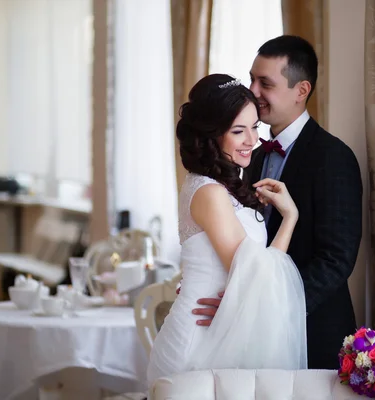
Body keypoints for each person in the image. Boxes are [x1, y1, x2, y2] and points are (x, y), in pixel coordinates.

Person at [193, 35, 363, 370]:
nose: (252, 92)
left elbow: (336, 259)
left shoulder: (333, 157)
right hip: (254, 332)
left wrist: (267, 306)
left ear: (301, 90)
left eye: (265, 83)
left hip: (310, 330)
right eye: (252, 79)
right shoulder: (252, 154)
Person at [145, 73, 307, 390]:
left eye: (254, 127)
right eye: (238, 130)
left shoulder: (221, 186)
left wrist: (237, 300)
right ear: (212, 136)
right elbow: (257, 277)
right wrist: (290, 217)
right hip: (197, 341)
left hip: (223, 330)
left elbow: (249, 278)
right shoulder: (209, 192)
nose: (251, 140)